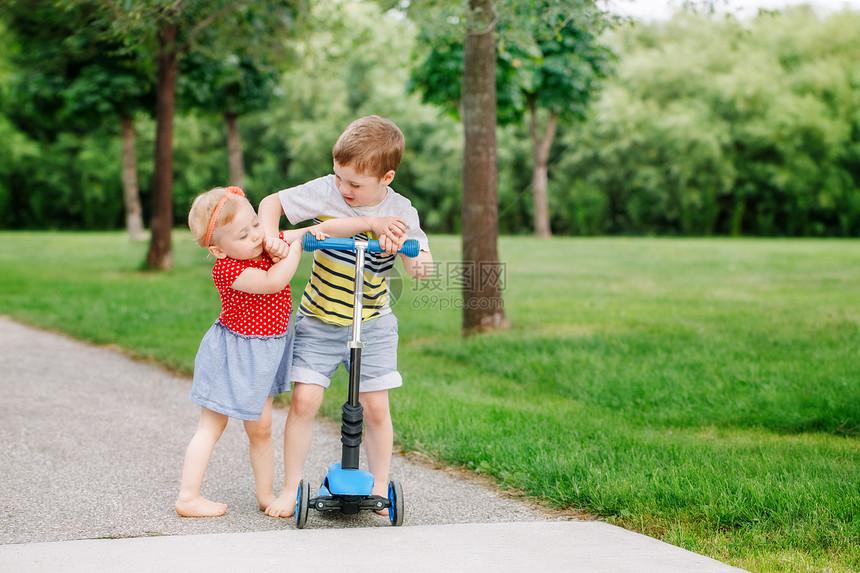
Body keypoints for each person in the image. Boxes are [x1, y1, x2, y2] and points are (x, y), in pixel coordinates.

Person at [177, 185, 406, 518]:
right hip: (232, 354)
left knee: (261, 428)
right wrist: (295, 248)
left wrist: (369, 220)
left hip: (264, 357)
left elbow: (322, 229)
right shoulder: (227, 269)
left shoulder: (264, 244)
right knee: (211, 426)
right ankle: (188, 496)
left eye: (256, 223)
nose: (257, 235)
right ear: (218, 249)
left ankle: (265, 495)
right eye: (243, 235)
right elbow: (273, 281)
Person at [258, 115, 433, 518]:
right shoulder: (325, 191)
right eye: (340, 178)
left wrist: (406, 248)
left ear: (386, 177)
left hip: (372, 323)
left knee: (375, 407)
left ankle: (378, 488)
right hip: (318, 319)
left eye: (355, 184)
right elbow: (272, 203)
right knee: (304, 400)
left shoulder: (401, 210)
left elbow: (422, 265)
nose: (344, 189)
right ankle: (289, 490)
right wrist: (270, 234)